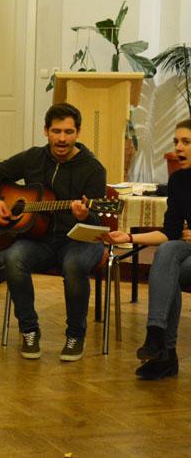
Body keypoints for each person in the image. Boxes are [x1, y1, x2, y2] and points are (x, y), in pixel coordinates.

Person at [0, 103, 106, 362]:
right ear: (45, 131)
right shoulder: (33, 158)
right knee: (14, 258)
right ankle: (29, 330)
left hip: (81, 239)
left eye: (68, 132)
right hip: (40, 238)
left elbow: (96, 222)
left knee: (73, 265)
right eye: (56, 131)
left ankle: (75, 335)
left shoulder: (93, 169)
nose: (62, 139)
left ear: (78, 133)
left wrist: (85, 215)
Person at [101, 119, 191, 379]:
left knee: (169, 270)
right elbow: (170, 232)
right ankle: (156, 335)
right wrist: (128, 236)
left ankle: (165, 354)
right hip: (185, 250)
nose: (178, 148)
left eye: (186, 142)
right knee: (167, 251)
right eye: (176, 142)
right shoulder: (178, 181)